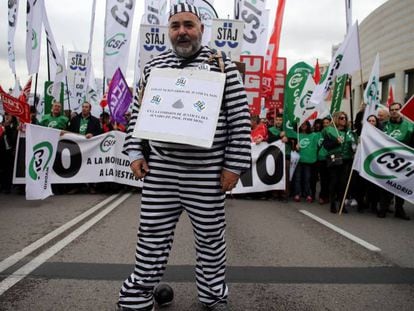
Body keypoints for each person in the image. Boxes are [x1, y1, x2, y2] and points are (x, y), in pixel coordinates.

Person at [118, 4, 251, 311]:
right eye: (175, 25)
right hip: (161, 173)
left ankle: (213, 296)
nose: (182, 32)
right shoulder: (153, 68)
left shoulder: (222, 66)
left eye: (188, 25)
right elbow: (136, 114)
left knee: (210, 241)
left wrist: (233, 166)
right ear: (169, 30)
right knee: (151, 237)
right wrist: (135, 152)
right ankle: (137, 297)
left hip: (206, 174)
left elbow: (240, 120)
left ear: (201, 29)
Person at [378, 102, 413, 219]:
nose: (394, 111)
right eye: (392, 109)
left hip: (403, 162)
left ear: (400, 110)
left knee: (401, 184)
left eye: (396, 109)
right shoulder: (383, 125)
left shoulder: (410, 126)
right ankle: (383, 208)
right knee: (385, 185)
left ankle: (399, 209)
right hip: (386, 161)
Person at [322, 112, 357, 213]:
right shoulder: (329, 131)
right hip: (335, 159)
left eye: (345, 118)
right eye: (341, 118)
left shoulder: (349, 132)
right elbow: (326, 145)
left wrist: (355, 146)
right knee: (334, 181)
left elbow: (353, 145)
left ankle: (342, 204)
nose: (344, 119)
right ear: (337, 119)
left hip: (346, 159)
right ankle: (333, 203)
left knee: (343, 183)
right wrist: (336, 142)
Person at [67, 102, 102, 194]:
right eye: (83, 107)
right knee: (76, 166)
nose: (84, 108)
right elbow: (69, 131)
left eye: (86, 107)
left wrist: (93, 134)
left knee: (90, 166)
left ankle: (91, 186)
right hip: (77, 147)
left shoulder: (95, 120)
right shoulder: (75, 119)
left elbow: (100, 132)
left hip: (90, 148)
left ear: (90, 109)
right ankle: (76, 186)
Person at [293, 121, 318, 203]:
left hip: (308, 160)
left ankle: (308, 194)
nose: (303, 126)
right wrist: (295, 147)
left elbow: (317, 146)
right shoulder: (297, 135)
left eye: (305, 124)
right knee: (297, 178)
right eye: (302, 124)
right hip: (298, 160)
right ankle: (297, 194)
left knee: (307, 178)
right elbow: (292, 147)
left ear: (308, 125)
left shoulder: (314, 135)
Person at [0, 114, 19, 193]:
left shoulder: (14, 126)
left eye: (9, 115)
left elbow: (13, 138)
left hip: (10, 151)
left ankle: (7, 187)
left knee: (8, 169)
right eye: (6, 115)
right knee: (1, 169)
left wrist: (7, 128)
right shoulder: (1, 125)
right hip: (2, 150)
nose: (7, 117)